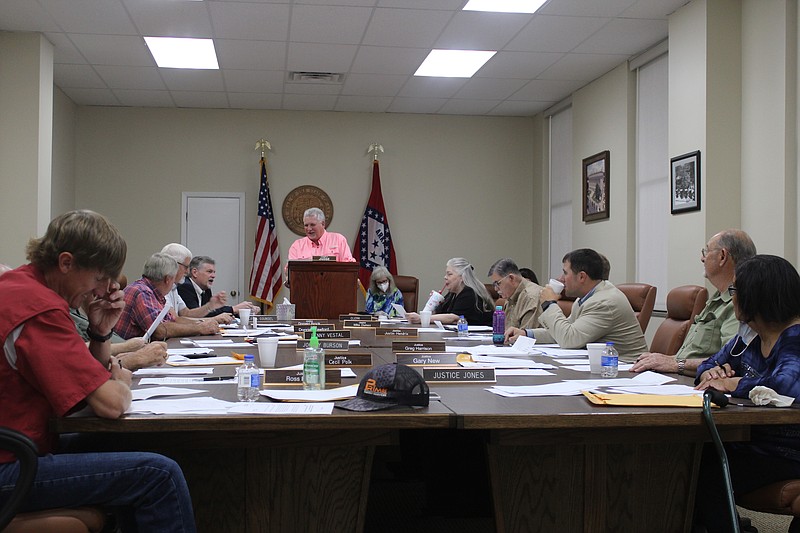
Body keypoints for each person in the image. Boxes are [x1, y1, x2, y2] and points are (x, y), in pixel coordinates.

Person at [0, 210, 196, 532]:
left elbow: (85, 381)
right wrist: (119, 381)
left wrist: (101, 332)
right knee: (160, 475)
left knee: (149, 449)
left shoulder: (21, 287)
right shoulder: (39, 309)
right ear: (66, 263)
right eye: (98, 278)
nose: (103, 290)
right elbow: (111, 403)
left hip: (23, 449)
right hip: (11, 467)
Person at [693, 255, 800, 533]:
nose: (732, 298)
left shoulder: (794, 338)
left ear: (756, 296)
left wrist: (731, 383)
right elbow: (709, 363)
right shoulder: (750, 335)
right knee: (687, 456)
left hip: (787, 451)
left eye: (735, 291)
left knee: (703, 471)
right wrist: (710, 374)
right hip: (751, 441)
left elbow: (784, 386)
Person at [632, 229, 756, 376]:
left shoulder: (739, 303)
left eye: (706, 252)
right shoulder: (716, 299)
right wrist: (664, 359)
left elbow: (731, 361)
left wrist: (675, 363)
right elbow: (692, 355)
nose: (702, 259)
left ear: (722, 256)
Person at [505, 248, 648, 359]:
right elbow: (560, 332)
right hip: (602, 367)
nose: (561, 278)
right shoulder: (585, 298)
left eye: (565, 273)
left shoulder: (605, 302)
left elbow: (568, 339)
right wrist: (526, 334)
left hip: (625, 369)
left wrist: (549, 304)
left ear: (581, 277)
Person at [114, 253, 219, 340]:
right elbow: (159, 330)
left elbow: (173, 320)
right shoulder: (142, 292)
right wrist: (199, 328)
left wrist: (202, 323)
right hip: (127, 354)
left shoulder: (152, 292)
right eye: (173, 279)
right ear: (167, 279)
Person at [406, 258, 494, 326]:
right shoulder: (453, 294)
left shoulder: (469, 293)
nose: (445, 277)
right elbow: (439, 316)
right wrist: (433, 304)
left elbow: (453, 318)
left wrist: (422, 318)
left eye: (449, 274)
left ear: (462, 277)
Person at [178, 255, 259, 318]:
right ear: (195, 272)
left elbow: (212, 312)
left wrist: (242, 312)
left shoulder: (206, 290)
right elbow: (197, 316)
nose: (213, 276)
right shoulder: (185, 286)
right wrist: (233, 309)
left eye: (214, 272)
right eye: (209, 272)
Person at [487, 258, 544, 331]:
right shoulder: (510, 297)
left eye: (498, 283)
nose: (496, 289)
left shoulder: (532, 297)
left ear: (511, 278)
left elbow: (525, 337)